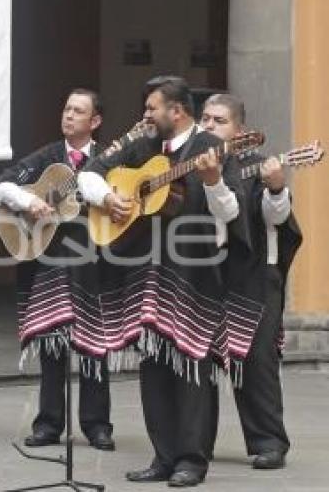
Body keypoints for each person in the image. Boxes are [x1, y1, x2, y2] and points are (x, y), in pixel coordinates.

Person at [77, 76, 248, 487]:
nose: (146, 116)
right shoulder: (145, 145)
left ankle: (192, 459)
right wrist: (108, 199)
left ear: (177, 111)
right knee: (154, 365)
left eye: (153, 108)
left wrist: (212, 181)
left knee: (191, 366)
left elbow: (230, 212)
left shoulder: (209, 147)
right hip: (145, 271)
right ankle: (163, 455)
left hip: (193, 270)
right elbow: (91, 172)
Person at [0, 89, 115, 451]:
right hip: (49, 261)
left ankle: (97, 426)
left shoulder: (107, 160)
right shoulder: (47, 157)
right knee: (51, 344)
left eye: (78, 111)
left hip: (94, 260)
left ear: (95, 122)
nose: (69, 116)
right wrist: (30, 201)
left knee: (95, 345)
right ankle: (48, 424)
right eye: (66, 108)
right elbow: (1, 182)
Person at [200, 93, 301, 470]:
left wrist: (276, 187)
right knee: (199, 360)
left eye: (220, 120)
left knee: (256, 361)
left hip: (254, 276)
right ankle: (196, 443)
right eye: (206, 119)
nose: (210, 125)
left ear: (239, 131)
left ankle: (269, 442)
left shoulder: (257, 166)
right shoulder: (192, 166)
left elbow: (275, 218)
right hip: (206, 274)